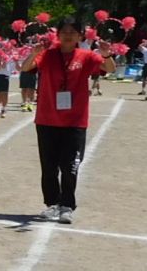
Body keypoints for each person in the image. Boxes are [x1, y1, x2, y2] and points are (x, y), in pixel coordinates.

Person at [22, 16, 113, 223]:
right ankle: (52, 204)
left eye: (73, 31)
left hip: (75, 121)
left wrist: (107, 54)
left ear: (80, 35)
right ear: (58, 34)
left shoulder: (87, 56)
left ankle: (67, 205)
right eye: (64, 31)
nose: (68, 35)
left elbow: (109, 69)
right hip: (47, 119)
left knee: (71, 166)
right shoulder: (47, 55)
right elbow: (25, 68)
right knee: (49, 166)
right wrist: (33, 53)